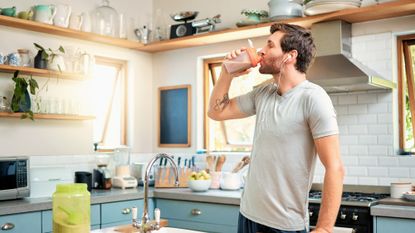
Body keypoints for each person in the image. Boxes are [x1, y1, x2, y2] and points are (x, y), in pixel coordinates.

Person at [208, 23, 344, 233]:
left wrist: (325, 228)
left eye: (270, 46)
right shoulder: (263, 94)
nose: (261, 51)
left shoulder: (313, 98)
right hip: (248, 216)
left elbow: (335, 168)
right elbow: (216, 112)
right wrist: (227, 73)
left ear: (290, 56)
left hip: (284, 226)